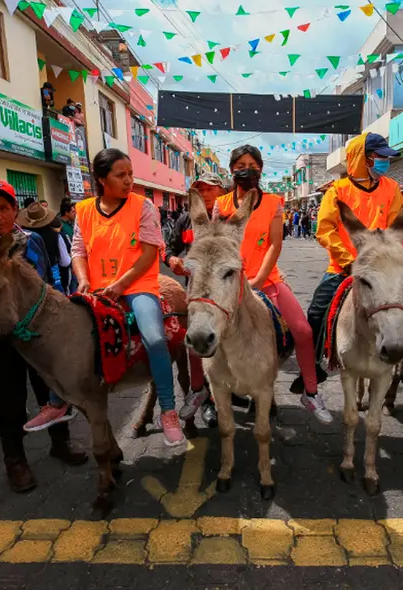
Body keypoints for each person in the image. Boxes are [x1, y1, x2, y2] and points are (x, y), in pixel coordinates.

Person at [304, 133, 403, 401]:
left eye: (385, 157)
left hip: (381, 269)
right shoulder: (337, 190)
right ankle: (312, 369)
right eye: (379, 156)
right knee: (315, 314)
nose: (384, 161)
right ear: (362, 158)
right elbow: (325, 230)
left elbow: (395, 227)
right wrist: (347, 260)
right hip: (343, 266)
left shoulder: (390, 188)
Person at [0, 180, 85, 491]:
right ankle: (15, 461)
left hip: (38, 335)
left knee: (52, 390)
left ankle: (60, 443)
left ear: (15, 210)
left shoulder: (32, 239)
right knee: (10, 400)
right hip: (2, 340)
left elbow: (47, 280)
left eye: (3, 208)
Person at [206, 146, 329, 424]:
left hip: (267, 280)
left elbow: (275, 243)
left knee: (302, 330)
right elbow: (216, 244)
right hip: (229, 282)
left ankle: (310, 391)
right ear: (232, 170)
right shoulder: (221, 204)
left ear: (261, 169)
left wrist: (259, 280)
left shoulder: (274, 202)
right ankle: (210, 396)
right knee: (206, 330)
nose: (246, 170)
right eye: (240, 165)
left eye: (252, 165)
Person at [71, 149, 185, 446]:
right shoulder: (83, 210)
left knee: (155, 339)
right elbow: (78, 252)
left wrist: (121, 285)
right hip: (96, 288)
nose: (128, 180)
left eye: (130, 174)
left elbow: (149, 255)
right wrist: (83, 280)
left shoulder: (143, 206)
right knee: (64, 335)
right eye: (120, 175)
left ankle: (168, 411)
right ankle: (57, 402)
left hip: (136, 286)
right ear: (101, 179)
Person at [165, 172, 224, 427]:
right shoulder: (185, 219)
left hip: (227, 290)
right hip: (196, 290)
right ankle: (205, 397)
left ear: (222, 191)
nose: (204, 194)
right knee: (197, 342)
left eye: (210, 188)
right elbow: (169, 248)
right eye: (200, 189)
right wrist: (171, 259)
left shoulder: (230, 217)